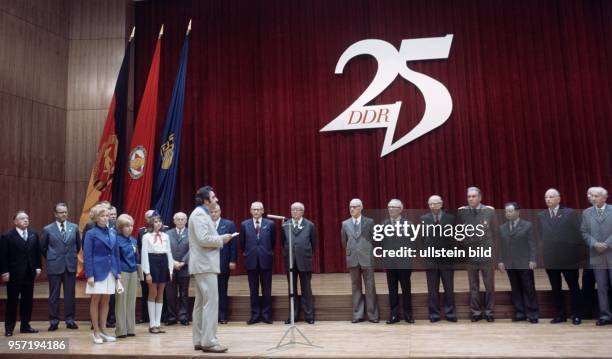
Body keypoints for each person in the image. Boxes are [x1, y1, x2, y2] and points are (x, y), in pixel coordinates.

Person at [189, 186, 232, 353]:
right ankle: (209, 341)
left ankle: (200, 339)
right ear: (206, 201)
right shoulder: (199, 215)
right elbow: (204, 239)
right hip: (205, 265)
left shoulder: (200, 214)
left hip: (202, 265)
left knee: (201, 304)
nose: (216, 199)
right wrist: (223, 239)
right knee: (211, 303)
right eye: (213, 197)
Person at [537, 188, 583, 325]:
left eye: (551, 197)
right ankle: (560, 314)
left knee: (573, 286)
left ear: (559, 198)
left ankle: (576, 314)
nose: (548, 200)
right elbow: (541, 235)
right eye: (546, 197)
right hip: (551, 258)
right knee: (555, 287)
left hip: (569, 258)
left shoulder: (569, 213)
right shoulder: (541, 215)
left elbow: (577, 234)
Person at [457, 186, 496, 322]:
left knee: (489, 285)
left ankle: (490, 312)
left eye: (473, 196)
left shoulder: (489, 211)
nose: (471, 199)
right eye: (469, 196)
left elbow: (495, 233)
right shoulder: (462, 212)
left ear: (480, 197)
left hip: (486, 254)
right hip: (471, 254)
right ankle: (476, 312)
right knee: (473, 285)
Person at [83, 204, 121, 344]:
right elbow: (87, 255)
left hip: (111, 271)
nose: (106, 218)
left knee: (106, 301)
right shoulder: (91, 233)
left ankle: (104, 330)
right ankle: (96, 332)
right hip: (97, 272)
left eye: (107, 215)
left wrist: (118, 273)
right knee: (95, 300)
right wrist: (90, 275)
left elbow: (115, 254)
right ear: (96, 218)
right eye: (102, 216)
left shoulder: (112, 232)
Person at [40, 203, 80, 331]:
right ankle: (54, 321)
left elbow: (77, 246)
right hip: (54, 265)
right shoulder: (48, 229)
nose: (64, 214)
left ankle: (70, 320)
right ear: (55, 214)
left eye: (65, 212)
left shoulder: (74, 227)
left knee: (70, 295)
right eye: (61, 212)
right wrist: (53, 258)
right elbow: (43, 248)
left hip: (70, 265)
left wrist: (70, 257)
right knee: (54, 295)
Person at [1, 211, 41, 337]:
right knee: (12, 301)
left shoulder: (34, 234)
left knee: (27, 301)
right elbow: (2, 256)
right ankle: (9, 328)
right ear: (15, 221)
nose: (25, 220)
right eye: (22, 218)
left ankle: (25, 326)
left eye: (27, 218)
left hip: (29, 273)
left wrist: (38, 267)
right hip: (13, 274)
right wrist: (4, 271)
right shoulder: (7, 236)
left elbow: (36, 252)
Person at [497, 202, 539, 323]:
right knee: (515, 288)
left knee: (528, 288)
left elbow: (532, 244)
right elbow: (500, 247)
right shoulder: (502, 228)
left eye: (510, 211)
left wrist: (533, 259)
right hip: (510, 263)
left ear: (517, 212)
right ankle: (520, 313)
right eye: (506, 212)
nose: (508, 214)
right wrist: (500, 261)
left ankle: (532, 314)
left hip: (524, 262)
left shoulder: (527, 225)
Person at [341, 198, 379, 323]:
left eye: (355, 206)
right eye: (350, 206)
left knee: (370, 287)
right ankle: (358, 315)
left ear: (361, 208)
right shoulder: (345, 224)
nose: (352, 209)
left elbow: (375, 239)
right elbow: (344, 241)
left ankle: (373, 315)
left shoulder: (369, 222)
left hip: (367, 258)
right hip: (352, 258)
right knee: (355, 286)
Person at [420, 195, 457, 322]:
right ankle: (434, 314)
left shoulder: (450, 218)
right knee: (432, 290)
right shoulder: (424, 219)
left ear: (441, 204)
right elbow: (423, 239)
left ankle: (450, 314)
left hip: (447, 259)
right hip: (431, 260)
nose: (432, 206)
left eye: (434, 204)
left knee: (449, 288)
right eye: (430, 204)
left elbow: (454, 239)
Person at [239, 201, 276, 324]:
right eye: (253, 209)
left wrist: (265, 252)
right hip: (251, 261)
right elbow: (242, 244)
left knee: (267, 290)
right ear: (250, 211)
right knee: (253, 290)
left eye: (258, 209)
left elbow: (273, 242)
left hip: (266, 260)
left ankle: (266, 315)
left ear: (262, 210)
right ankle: (255, 315)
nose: (256, 212)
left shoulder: (270, 224)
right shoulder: (244, 224)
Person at [581, 187, 612, 326]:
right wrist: (594, 244)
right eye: (591, 196)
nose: (593, 198)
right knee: (601, 286)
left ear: (605, 198)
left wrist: (607, 244)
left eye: (596, 196)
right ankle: (605, 315)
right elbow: (584, 232)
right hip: (596, 254)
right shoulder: (586, 213)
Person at [281, 202, 316, 324]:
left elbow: (313, 244)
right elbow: (283, 242)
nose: (294, 212)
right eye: (292, 210)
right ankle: (293, 315)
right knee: (292, 290)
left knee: (306, 289)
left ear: (302, 211)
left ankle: (309, 316)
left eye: (297, 209)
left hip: (304, 261)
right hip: (290, 262)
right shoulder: (286, 225)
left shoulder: (309, 225)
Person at [382, 199, 414, 324]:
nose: (390, 209)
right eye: (389, 206)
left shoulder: (409, 224)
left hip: (404, 263)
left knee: (406, 289)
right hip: (390, 263)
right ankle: (394, 315)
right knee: (392, 290)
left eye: (393, 207)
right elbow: (381, 243)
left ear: (400, 209)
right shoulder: (383, 224)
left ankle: (408, 315)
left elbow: (413, 244)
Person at [141, 212, 174, 334]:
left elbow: (169, 253)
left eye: (160, 221)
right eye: (155, 221)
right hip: (152, 262)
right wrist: (147, 272)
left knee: (161, 292)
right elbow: (144, 254)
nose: (158, 223)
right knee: (153, 292)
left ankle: (158, 323)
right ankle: (152, 323)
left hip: (163, 262)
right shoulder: (146, 236)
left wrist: (170, 269)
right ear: (150, 223)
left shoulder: (166, 236)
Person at [210, 204, 237, 324]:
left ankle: (222, 316)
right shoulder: (206, 225)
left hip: (223, 262)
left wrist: (232, 260)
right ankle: (211, 316)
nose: (213, 214)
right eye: (211, 212)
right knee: (210, 292)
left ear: (220, 212)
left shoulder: (229, 224)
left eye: (215, 211)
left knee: (222, 290)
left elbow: (233, 245)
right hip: (208, 264)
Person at [114, 214, 138, 338]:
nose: (130, 228)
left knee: (131, 301)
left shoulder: (133, 240)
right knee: (121, 302)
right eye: (126, 226)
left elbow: (136, 257)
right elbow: (116, 258)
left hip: (133, 272)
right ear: (120, 227)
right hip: (122, 272)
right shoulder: (116, 240)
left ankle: (130, 328)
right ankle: (121, 330)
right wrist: (117, 275)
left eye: (131, 226)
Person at [165, 212, 190, 326]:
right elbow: (165, 249)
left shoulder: (191, 233)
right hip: (171, 268)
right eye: (178, 219)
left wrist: (183, 262)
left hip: (185, 268)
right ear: (174, 221)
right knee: (170, 294)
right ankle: (171, 317)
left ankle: (184, 317)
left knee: (184, 294)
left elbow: (193, 249)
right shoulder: (167, 233)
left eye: (182, 219)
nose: (180, 221)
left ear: (186, 220)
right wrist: (173, 262)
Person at [136, 209, 155, 324]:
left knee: (159, 291)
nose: (150, 219)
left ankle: (162, 316)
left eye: (152, 217)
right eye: (148, 217)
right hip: (145, 264)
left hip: (158, 264)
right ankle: (145, 316)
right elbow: (139, 249)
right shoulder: (141, 231)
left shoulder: (164, 230)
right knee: (145, 292)